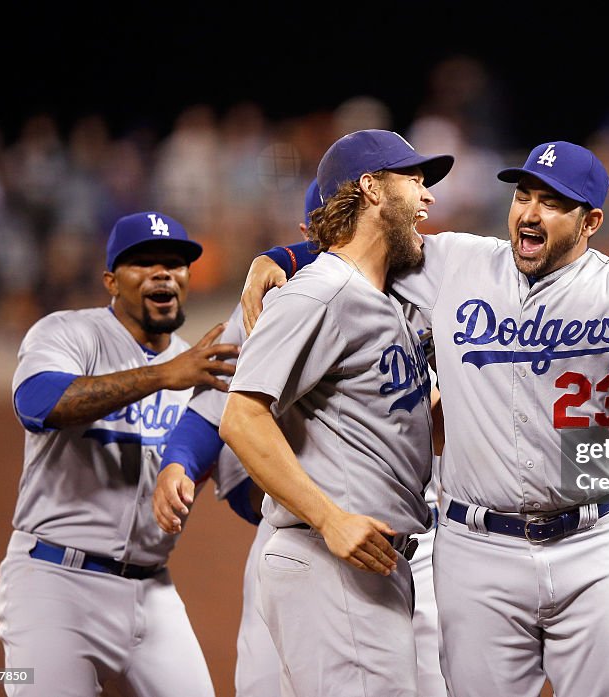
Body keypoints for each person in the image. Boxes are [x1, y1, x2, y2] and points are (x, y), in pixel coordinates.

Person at [240, 138, 609, 697]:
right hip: (476, 546)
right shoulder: (455, 263)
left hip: (590, 540)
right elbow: (371, 243)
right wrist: (277, 258)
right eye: (523, 195)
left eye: (552, 202)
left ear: (591, 223)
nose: (530, 212)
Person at [153, 178, 449, 697]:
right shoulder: (288, 300)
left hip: (412, 539)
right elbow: (227, 411)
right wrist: (180, 463)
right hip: (314, 530)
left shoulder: (416, 290)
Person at [0, 211, 240, 697]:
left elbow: (238, 484)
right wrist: (163, 376)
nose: (162, 273)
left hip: (153, 593)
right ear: (111, 281)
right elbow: (37, 403)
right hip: (53, 584)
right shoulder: (69, 333)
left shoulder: (197, 367)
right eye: (143, 263)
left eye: (174, 263)